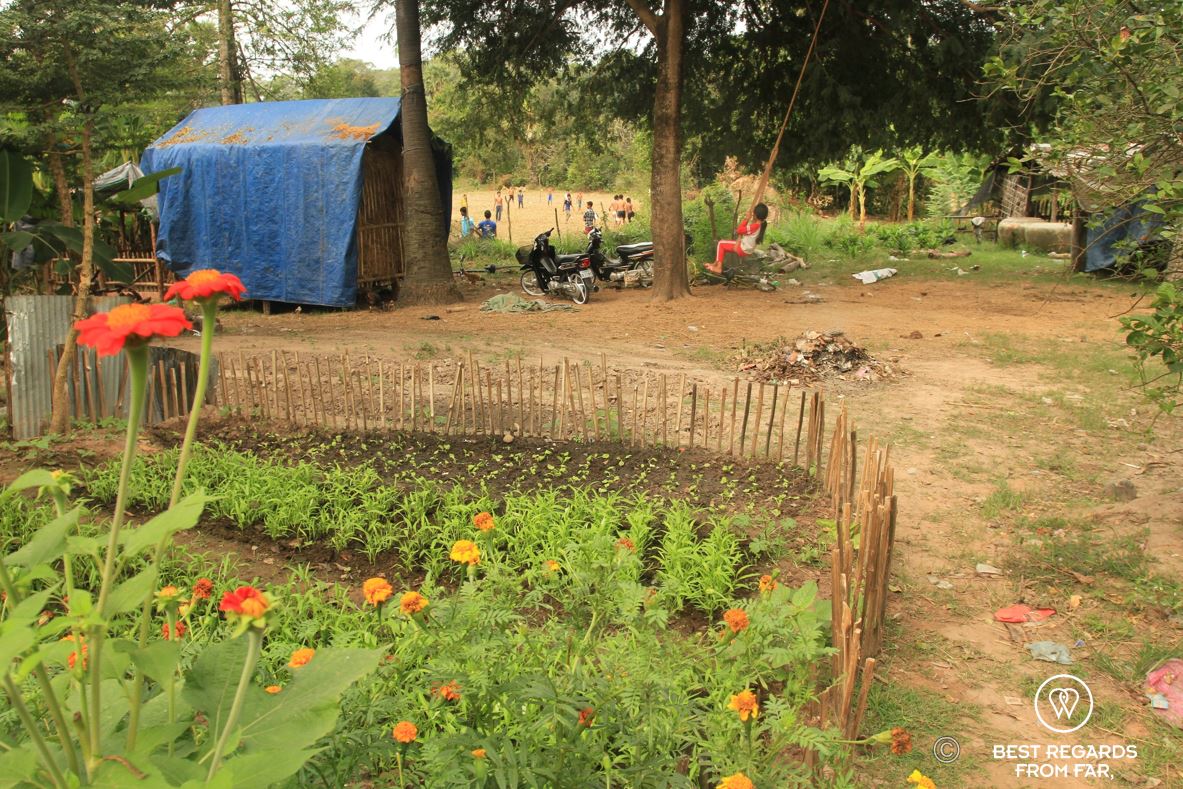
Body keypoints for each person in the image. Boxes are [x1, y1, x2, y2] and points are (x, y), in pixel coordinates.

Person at [710, 202, 768, 275]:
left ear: (756, 215)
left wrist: (746, 219)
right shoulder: (761, 225)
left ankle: (718, 267)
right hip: (747, 249)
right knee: (724, 247)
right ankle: (717, 263)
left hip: (742, 248)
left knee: (721, 243)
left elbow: (739, 230)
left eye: (753, 213)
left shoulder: (755, 226)